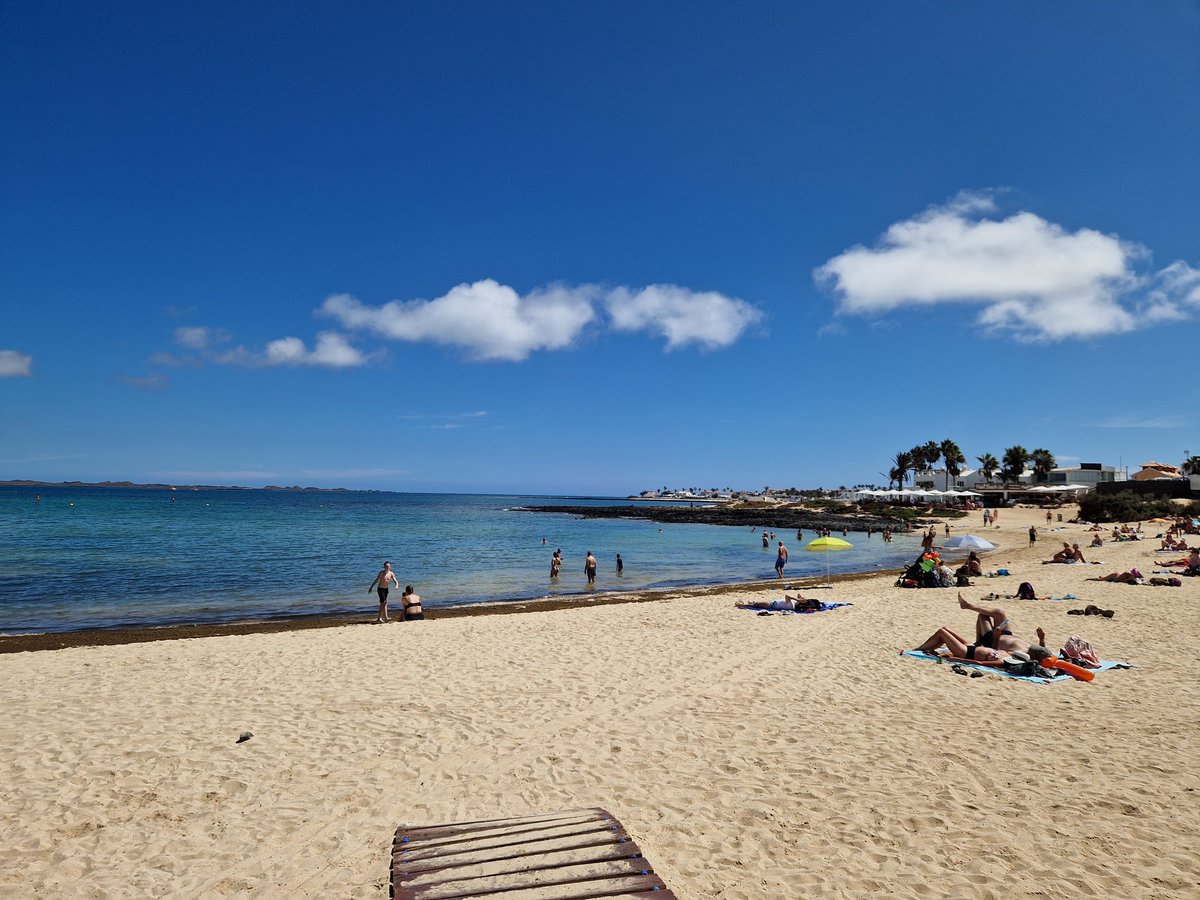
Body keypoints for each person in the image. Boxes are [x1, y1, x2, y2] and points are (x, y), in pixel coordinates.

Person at [736, 593, 820, 612]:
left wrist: (798, 599)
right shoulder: (795, 603)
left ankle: (741, 605)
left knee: (756, 605)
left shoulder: (791, 605)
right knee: (757, 603)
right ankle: (753, 602)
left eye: (803, 601)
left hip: (772, 605)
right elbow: (799, 594)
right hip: (774, 601)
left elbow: (787, 596)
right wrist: (801, 598)